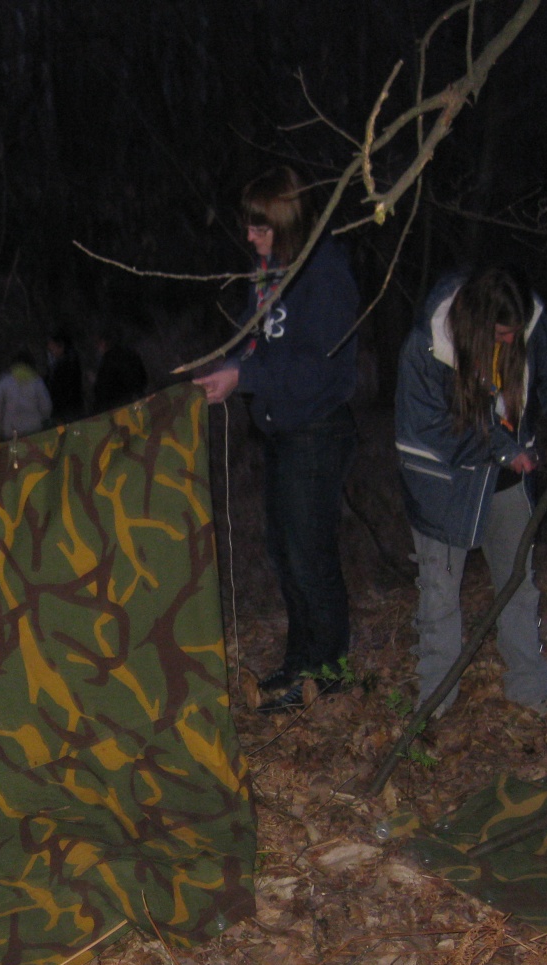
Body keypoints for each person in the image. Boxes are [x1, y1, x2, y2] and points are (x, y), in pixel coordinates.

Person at [193, 167, 360, 711]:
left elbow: (318, 367)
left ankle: (327, 673)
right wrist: (224, 366)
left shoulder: (324, 273)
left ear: (287, 225)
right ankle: (299, 662)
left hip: (316, 428)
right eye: (248, 226)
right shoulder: (270, 273)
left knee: (310, 556)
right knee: (285, 554)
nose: (249, 237)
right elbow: (253, 335)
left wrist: (244, 376)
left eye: (260, 228)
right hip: (279, 428)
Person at [395, 263, 547, 717]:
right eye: (501, 335)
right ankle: (435, 702)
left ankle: (529, 688)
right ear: (477, 324)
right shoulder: (427, 346)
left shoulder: (529, 323)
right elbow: (431, 427)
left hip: (508, 483)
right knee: (440, 597)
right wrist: (503, 450)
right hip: (444, 485)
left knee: (519, 585)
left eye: (514, 334)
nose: (509, 342)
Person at [0, 352, 52, 439]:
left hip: (12, 431)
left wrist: (0, 427)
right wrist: (43, 420)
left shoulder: (4, 382)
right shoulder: (37, 382)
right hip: (34, 429)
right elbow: (46, 407)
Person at [91, 332, 148, 413]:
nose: (97, 348)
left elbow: (104, 392)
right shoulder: (130, 353)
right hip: (140, 402)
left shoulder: (107, 362)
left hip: (123, 408)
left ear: (103, 343)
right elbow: (143, 377)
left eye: (97, 343)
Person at [45, 331, 84, 423]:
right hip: (67, 408)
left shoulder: (67, 363)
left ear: (60, 346)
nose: (51, 351)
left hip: (67, 410)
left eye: (52, 347)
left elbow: (63, 388)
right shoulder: (61, 362)